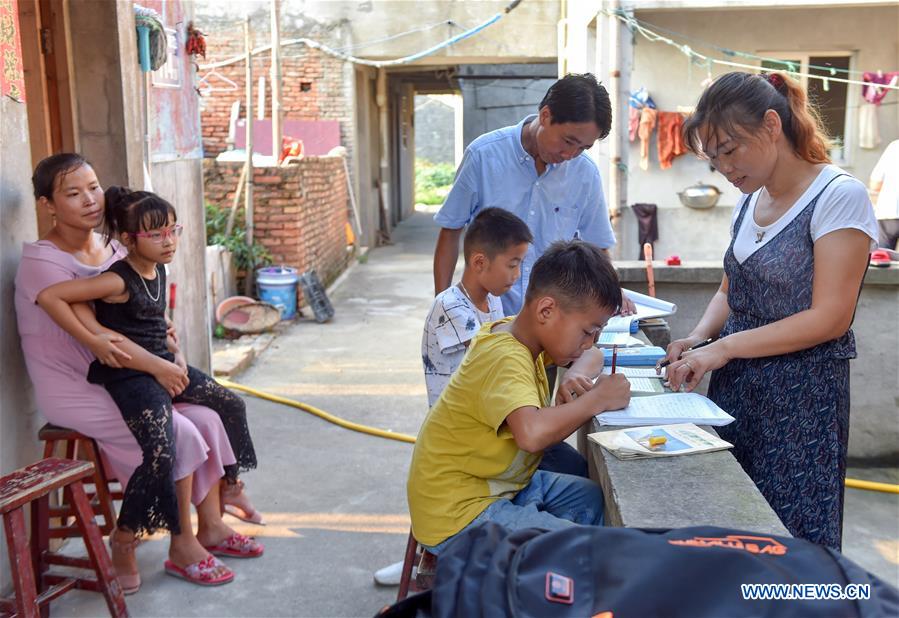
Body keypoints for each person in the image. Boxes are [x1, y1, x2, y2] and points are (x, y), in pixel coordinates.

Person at [15, 154, 260, 591]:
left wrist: (171, 344)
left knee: (207, 415)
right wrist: (162, 367)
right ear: (47, 205)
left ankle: (212, 529)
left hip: (135, 371)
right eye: (73, 193)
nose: (90, 200)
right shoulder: (43, 264)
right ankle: (169, 545)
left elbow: (140, 314)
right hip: (79, 381)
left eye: (93, 187)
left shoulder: (114, 248)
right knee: (179, 434)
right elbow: (102, 341)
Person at [664, 72, 878, 550]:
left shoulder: (838, 196)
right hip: (738, 391)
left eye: (729, 150)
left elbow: (830, 317)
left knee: (793, 541)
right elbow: (730, 290)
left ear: (771, 125)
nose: (722, 167)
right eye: (713, 157)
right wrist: (699, 339)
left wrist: (722, 349)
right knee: (736, 531)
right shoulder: (751, 199)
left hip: (801, 401)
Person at [431, 73, 633, 480]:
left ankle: (518, 486)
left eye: (584, 147)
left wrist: (608, 298)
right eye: (568, 141)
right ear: (545, 115)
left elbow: (596, 248)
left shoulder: (584, 174)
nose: (572, 154)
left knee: (532, 436)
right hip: (490, 328)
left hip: (550, 334)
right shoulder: (485, 156)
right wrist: (447, 306)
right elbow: (450, 231)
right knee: (485, 434)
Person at [408, 241, 631, 555]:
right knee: (579, 547)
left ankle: (550, 573)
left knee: (589, 498)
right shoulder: (505, 356)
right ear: (546, 310)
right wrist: (596, 400)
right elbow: (531, 434)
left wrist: (575, 373)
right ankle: (552, 583)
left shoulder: (525, 338)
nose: (590, 341)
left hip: (497, 486)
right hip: (458, 512)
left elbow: (592, 355)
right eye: (587, 331)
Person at [868, 139, 899, 249]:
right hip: (888, 213)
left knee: (882, 258)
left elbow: (875, 183)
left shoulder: (894, 146)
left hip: (888, 212)